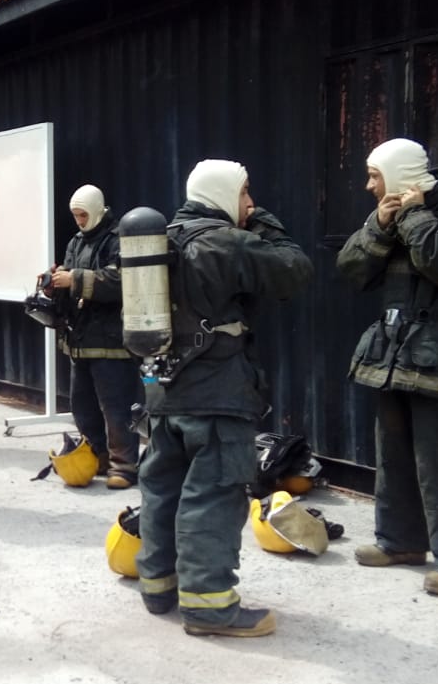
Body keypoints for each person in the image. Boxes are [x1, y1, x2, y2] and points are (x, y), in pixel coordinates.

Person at [136, 159, 311, 636]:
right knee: (213, 496)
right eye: (245, 193)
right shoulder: (223, 241)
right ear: (221, 194)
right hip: (217, 393)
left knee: (162, 490)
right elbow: (295, 271)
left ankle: (158, 586)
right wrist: (266, 222)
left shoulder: (160, 240)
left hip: (162, 390)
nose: (250, 203)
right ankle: (210, 607)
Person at [336, 138, 438, 596]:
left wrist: (412, 215)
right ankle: (400, 542)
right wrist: (379, 227)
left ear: (401, 174)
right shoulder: (391, 213)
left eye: (374, 174)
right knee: (395, 457)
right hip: (391, 354)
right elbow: (350, 271)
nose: (369, 185)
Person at [49, 184, 143, 489]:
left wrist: (73, 279)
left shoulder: (118, 239)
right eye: (75, 215)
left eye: (83, 214)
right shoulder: (76, 241)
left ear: (97, 210)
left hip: (111, 341)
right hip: (81, 340)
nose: (78, 220)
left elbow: (121, 280)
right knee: (83, 407)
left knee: (116, 407)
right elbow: (72, 276)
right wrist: (54, 283)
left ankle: (125, 466)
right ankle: (97, 457)